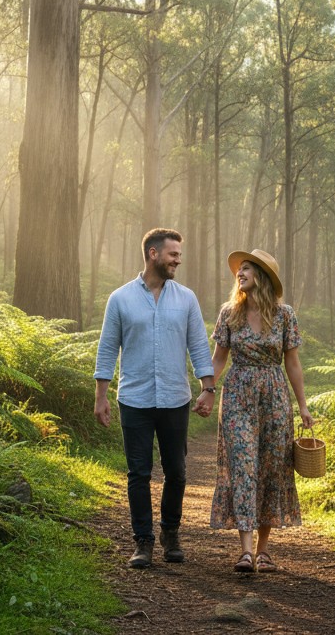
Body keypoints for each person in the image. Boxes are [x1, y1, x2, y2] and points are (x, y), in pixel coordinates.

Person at [94, 228, 216, 569]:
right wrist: (100, 396)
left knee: (176, 472)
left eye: (179, 254)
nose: (178, 259)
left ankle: (170, 534)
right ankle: (143, 542)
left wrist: (208, 389)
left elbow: (199, 347)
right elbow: (107, 350)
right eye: (173, 254)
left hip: (176, 399)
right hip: (134, 398)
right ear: (153, 254)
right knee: (138, 473)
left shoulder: (187, 298)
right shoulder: (120, 299)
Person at [196, 248, 313, 573]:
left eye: (247, 269)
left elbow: (292, 362)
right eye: (239, 269)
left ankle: (264, 551)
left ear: (262, 276)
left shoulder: (285, 314)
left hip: (275, 397)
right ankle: (245, 552)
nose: (240, 273)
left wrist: (302, 405)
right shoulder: (229, 313)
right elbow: (219, 357)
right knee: (243, 466)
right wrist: (207, 391)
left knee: (271, 468)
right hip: (237, 396)